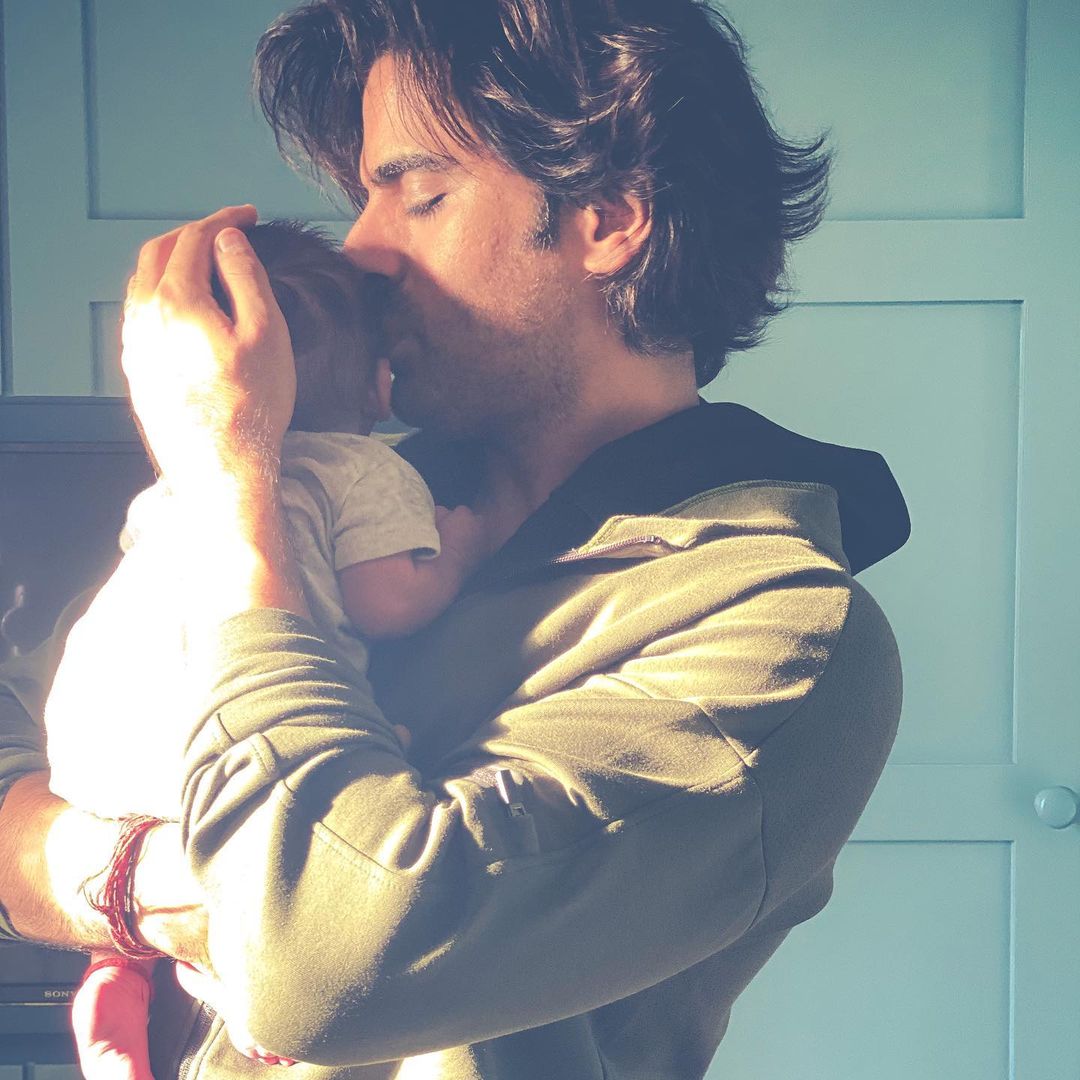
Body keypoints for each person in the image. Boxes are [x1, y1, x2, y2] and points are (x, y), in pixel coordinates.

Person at [0, 2, 911, 1078]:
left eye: (421, 193)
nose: (363, 248)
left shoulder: (780, 627)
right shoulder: (356, 495)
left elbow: (324, 959)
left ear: (609, 220)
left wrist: (227, 476)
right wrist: (145, 883)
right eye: (364, 198)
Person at [47, 220, 487, 1079]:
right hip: (215, 752)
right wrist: (464, 551)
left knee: (155, 846)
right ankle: (236, 997)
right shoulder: (362, 468)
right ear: (381, 382)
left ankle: (113, 970)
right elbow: (389, 602)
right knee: (242, 879)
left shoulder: (179, 483)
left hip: (93, 740)